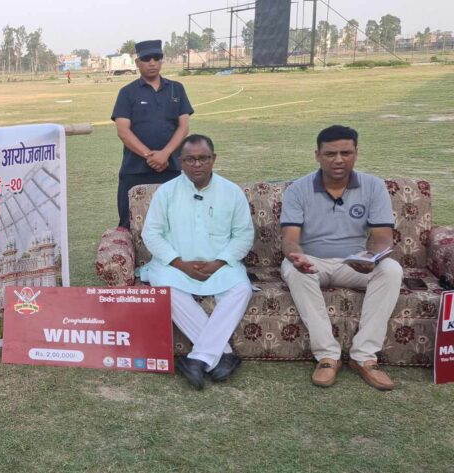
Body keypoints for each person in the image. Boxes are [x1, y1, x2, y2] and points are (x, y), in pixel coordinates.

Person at [280, 125, 402, 391]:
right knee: (291, 268)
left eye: (346, 153)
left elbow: (383, 237)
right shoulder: (298, 189)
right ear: (317, 155)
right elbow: (290, 239)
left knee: (391, 269)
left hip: (354, 263)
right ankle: (327, 356)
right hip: (313, 261)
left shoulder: (373, 186)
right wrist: (297, 256)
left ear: (356, 153)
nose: (338, 160)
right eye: (330, 154)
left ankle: (364, 356)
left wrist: (372, 257)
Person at [140, 135, 254, 390]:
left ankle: (198, 359)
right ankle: (222, 355)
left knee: (241, 289)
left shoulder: (231, 192)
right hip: (175, 266)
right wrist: (179, 263)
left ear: (214, 159)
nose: (197, 164)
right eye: (190, 159)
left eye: (203, 158)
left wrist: (218, 263)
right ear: (180, 161)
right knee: (165, 290)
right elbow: (152, 234)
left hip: (220, 265)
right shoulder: (166, 192)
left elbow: (244, 235)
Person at [111, 39, 194, 229]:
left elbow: (183, 127)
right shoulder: (127, 92)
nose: (152, 63)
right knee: (130, 223)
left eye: (157, 58)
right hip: (135, 170)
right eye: (146, 59)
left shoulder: (176, 89)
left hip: (170, 168)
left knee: (173, 222)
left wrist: (165, 154)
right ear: (137, 62)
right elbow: (123, 131)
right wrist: (150, 156)